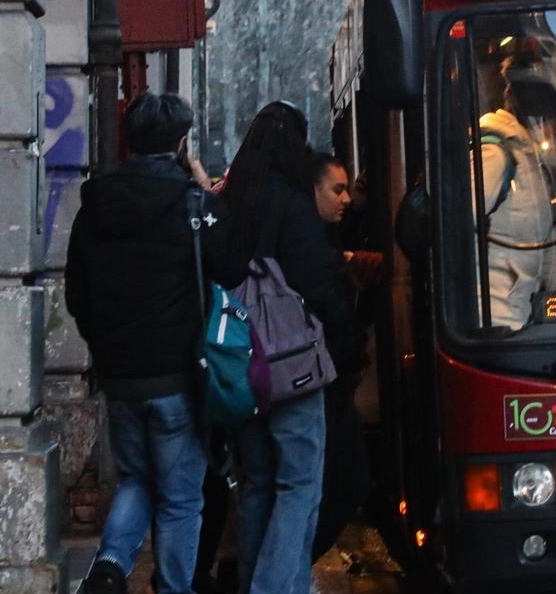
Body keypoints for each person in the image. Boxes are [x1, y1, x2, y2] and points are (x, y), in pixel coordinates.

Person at [66, 93, 246, 594]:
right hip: (179, 375)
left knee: (137, 479)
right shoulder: (194, 203)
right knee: (180, 498)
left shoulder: (95, 204)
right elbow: (233, 267)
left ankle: (108, 566)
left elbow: (76, 294)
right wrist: (209, 192)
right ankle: (172, 587)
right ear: (181, 141)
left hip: (120, 376)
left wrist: (106, 347)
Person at [221, 102, 355, 594]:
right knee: (299, 483)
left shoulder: (230, 201)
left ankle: (265, 580)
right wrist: (340, 325)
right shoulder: (293, 201)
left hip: (239, 367)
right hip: (290, 363)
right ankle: (278, 588)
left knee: (255, 485)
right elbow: (315, 281)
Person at [307, 153, 374, 560]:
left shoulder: (322, 234)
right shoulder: (310, 247)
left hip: (328, 380)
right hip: (320, 382)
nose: (346, 198)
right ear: (313, 190)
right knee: (342, 482)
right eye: (337, 190)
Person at [478, 68, 556, 329]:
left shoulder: (529, 162)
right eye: (553, 128)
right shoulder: (494, 155)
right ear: (538, 119)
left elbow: (546, 248)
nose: (553, 138)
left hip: (515, 314)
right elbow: (455, 230)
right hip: (491, 318)